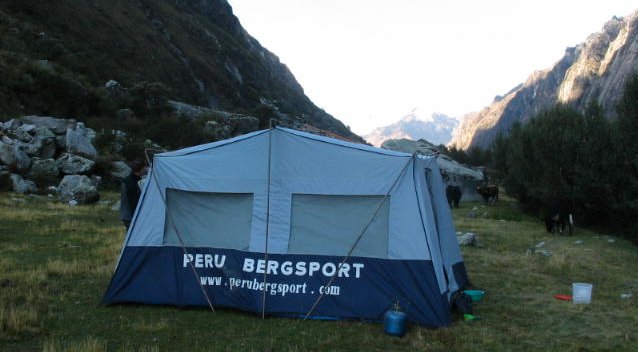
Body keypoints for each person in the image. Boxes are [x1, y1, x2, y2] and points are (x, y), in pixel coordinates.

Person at [120, 158, 148, 229]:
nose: (146, 169)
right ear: (141, 168)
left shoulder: (128, 179)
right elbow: (134, 204)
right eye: (145, 167)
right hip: (131, 217)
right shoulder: (132, 184)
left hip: (127, 216)